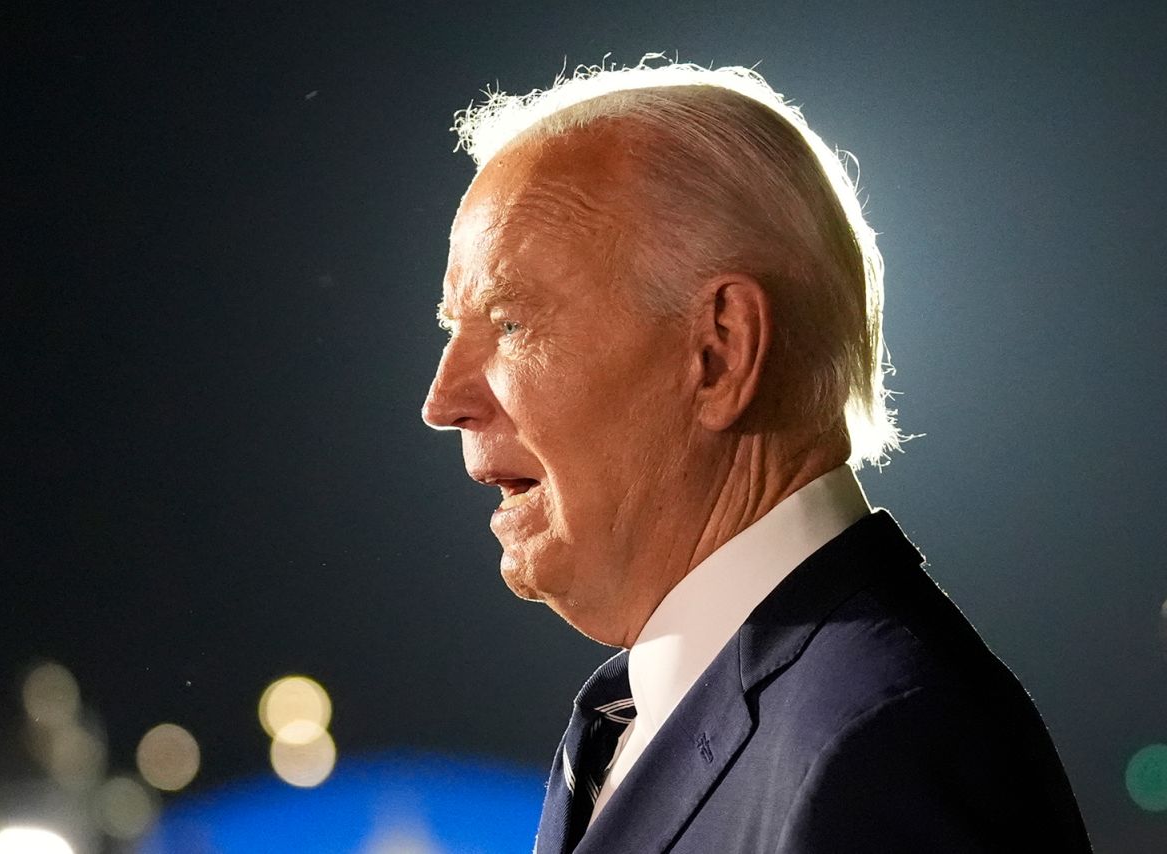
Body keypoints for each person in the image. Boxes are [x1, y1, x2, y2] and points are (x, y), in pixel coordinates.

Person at [421, 58, 1091, 853]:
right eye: (449, 330)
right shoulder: (647, 715)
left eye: (509, 324)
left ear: (719, 350)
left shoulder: (880, 748)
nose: (442, 401)